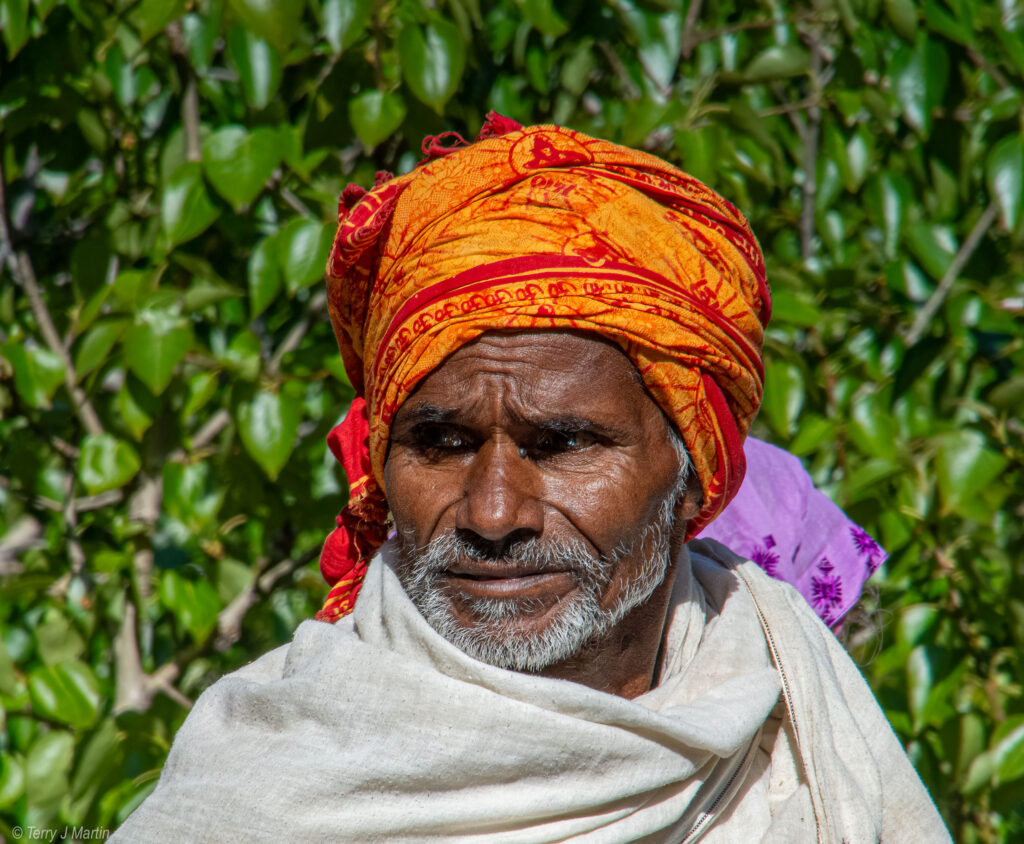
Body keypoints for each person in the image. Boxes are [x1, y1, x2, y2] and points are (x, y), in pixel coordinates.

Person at [112, 117, 948, 842]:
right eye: (440, 440)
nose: (493, 510)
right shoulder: (266, 781)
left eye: (565, 444)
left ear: (697, 482)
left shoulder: (793, 723)